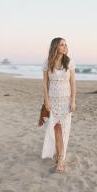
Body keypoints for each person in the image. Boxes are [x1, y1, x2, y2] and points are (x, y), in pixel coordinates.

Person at [41, 37, 76, 173]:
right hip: (53, 101)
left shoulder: (69, 62)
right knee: (55, 129)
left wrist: (73, 101)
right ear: (55, 47)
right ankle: (60, 156)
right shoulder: (47, 63)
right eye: (62, 44)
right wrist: (46, 101)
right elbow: (45, 84)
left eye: (65, 44)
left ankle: (61, 157)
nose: (65, 47)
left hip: (66, 101)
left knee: (64, 129)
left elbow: (73, 83)